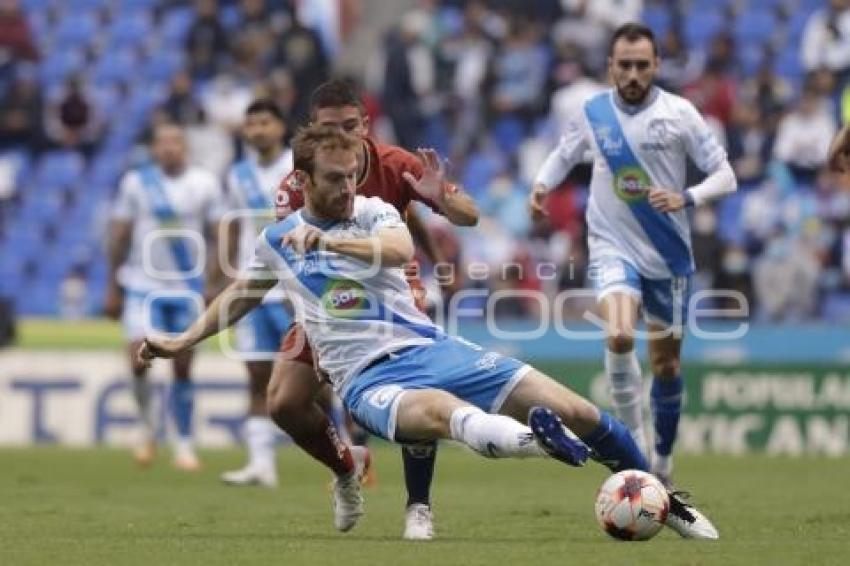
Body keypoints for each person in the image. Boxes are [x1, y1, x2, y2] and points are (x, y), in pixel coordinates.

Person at [137, 124, 719, 539]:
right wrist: (181, 340)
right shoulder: (274, 241)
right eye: (334, 180)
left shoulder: (368, 211)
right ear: (303, 179)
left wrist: (330, 239)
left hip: (432, 347)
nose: (347, 188)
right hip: (367, 380)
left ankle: (663, 503)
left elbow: (396, 249)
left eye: (351, 177)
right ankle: (534, 441)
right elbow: (239, 295)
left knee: (579, 410)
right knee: (441, 414)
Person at [269, 79, 479, 540]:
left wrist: (442, 196)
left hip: (391, 294)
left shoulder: (396, 164)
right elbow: (284, 260)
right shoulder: (295, 181)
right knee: (284, 404)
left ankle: (418, 506)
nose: (342, 137)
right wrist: (318, 327)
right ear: (312, 130)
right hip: (327, 298)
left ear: (366, 124)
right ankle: (347, 469)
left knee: (412, 388)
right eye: (329, 128)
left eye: (351, 126)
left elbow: (469, 215)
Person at [529, 23, 737, 487]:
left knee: (666, 365)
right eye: (625, 65)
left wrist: (687, 198)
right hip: (611, 245)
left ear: (656, 66)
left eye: (642, 65)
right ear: (610, 67)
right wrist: (542, 184)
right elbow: (564, 154)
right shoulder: (593, 111)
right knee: (620, 335)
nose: (633, 74)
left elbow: (726, 175)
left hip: (667, 253)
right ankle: (637, 453)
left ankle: (662, 458)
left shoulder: (680, 113)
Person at [105, 123, 225, 471]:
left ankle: (184, 444)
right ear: (155, 148)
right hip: (143, 285)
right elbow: (119, 235)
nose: (169, 148)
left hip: (187, 288)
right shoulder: (136, 183)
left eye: (175, 141)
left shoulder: (204, 183)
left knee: (184, 366)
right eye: (162, 142)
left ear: (185, 146)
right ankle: (146, 427)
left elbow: (220, 236)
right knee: (137, 359)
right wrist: (112, 286)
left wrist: (213, 282)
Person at [217, 100, 293, 488]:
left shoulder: (298, 166)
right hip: (254, 286)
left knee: (318, 378)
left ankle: (347, 455)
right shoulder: (238, 175)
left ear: (280, 127)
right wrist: (223, 275)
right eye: (251, 124)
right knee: (256, 375)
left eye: (265, 122)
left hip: (296, 288)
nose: (258, 130)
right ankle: (261, 465)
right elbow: (232, 226)